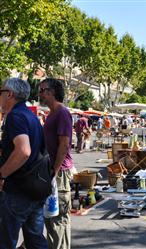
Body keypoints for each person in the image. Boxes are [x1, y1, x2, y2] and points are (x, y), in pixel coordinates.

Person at [0, 78, 48, 248]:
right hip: (35, 188)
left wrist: (2, 174)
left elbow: (23, 151)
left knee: (6, 241)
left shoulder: (16, 116)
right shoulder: (31, 116)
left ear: (10, 94)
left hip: (19, 190)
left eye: (1, 92)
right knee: (35, 239)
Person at [39, 78, 74, 249]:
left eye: (42, 90)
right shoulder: (52, 114)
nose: (40, 94)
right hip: (52, 172)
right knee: (52, 219)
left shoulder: (62, 112)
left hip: (58, 174)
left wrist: (54, 170)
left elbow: (64, 144)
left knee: (57, 220)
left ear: (51, 92)